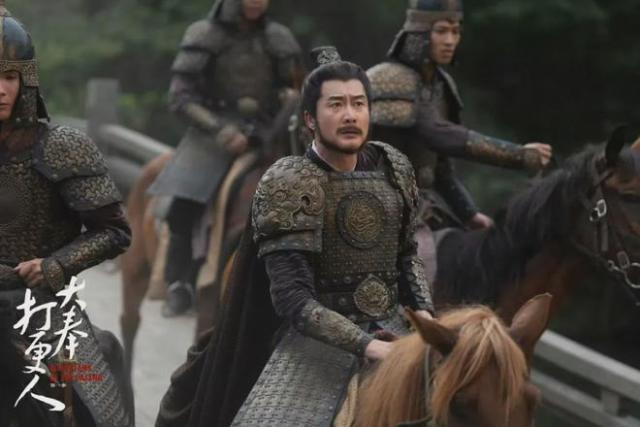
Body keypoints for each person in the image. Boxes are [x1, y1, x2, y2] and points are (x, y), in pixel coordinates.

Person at [156, 47, 433, 427]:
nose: (350, 115)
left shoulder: (394, 167)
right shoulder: (289, 181)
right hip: (310, 341)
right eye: (336, 104)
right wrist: (368, 346)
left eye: (358, 104)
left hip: (394, 329)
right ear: (310, 119)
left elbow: (407, 255)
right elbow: (293, 300)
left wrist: (427, 318)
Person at [0, 3, 132, 426]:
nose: (0, 89)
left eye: (9, 76)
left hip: (40, 309)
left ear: (26, 80)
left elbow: (114, 232)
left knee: (92, 405)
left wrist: (55, 265)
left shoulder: (61, 147)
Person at [149, 0, 303, 317]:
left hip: (266, 132)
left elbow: (292, 89)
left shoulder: (279, 38)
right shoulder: (204, 34)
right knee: (185, 202)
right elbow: (181, 97)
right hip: (212, 134)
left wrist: (286, 102)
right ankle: (180, 282)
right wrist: (220, 129)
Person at [367, 0, 553, 231]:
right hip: (375, 207)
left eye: (455, 32)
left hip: (420, 208)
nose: (450, 40)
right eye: (441, 31)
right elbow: (437, 135)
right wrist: (518, 155)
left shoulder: (441, 85)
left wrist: (469, 213)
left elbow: (440, 167)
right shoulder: (388, 80)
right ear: (419, 33)